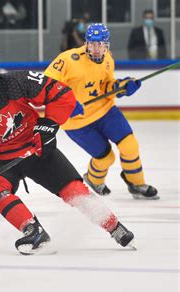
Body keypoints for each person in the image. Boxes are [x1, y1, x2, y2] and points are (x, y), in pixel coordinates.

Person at [0, 45, 135, 255]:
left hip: (34, 146)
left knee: (73, 189)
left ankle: (114, 226)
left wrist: (48, 125)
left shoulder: (16, 82)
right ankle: (33, 230)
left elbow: (61, 94)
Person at [44, 23, 159, 200]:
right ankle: (94, 179)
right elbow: (46, 84)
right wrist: (65, 102)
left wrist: (122, 86)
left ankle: (137, 183)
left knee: (130, 145)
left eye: (101, 44)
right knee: (106, 158)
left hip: (105, 110)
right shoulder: (68, 59)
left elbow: (105, 86)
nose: (96, 48)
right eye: (92, 43)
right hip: (77, 122)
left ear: (107, 44)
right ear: (86, 43)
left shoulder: (108, 59)